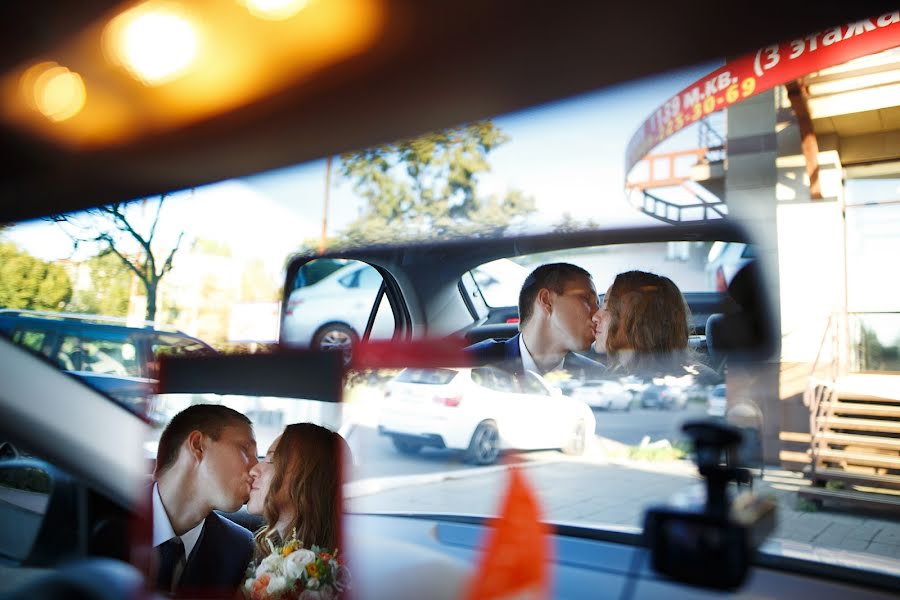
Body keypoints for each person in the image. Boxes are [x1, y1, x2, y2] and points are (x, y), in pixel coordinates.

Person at [148, 404, 258, 597]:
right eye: (244, 449)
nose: (256, 468)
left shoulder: (241, 549)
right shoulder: (101, 515)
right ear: (198, 445)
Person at [466, 262, 603, 376]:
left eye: (598, 304)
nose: (598, 315)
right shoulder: (467, 365)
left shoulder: (597, 376)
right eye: (586, 299)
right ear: (547, 300)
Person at [246, 423, 350, 558]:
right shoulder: (262, 553)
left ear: (310, 478)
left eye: (272, 460)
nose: (253, 471)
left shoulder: (338, 571)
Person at [592, 270, 717, 381]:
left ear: (639, 319)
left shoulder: (699, 382)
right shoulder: (615, 376)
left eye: (607, 307)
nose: (595, 317)